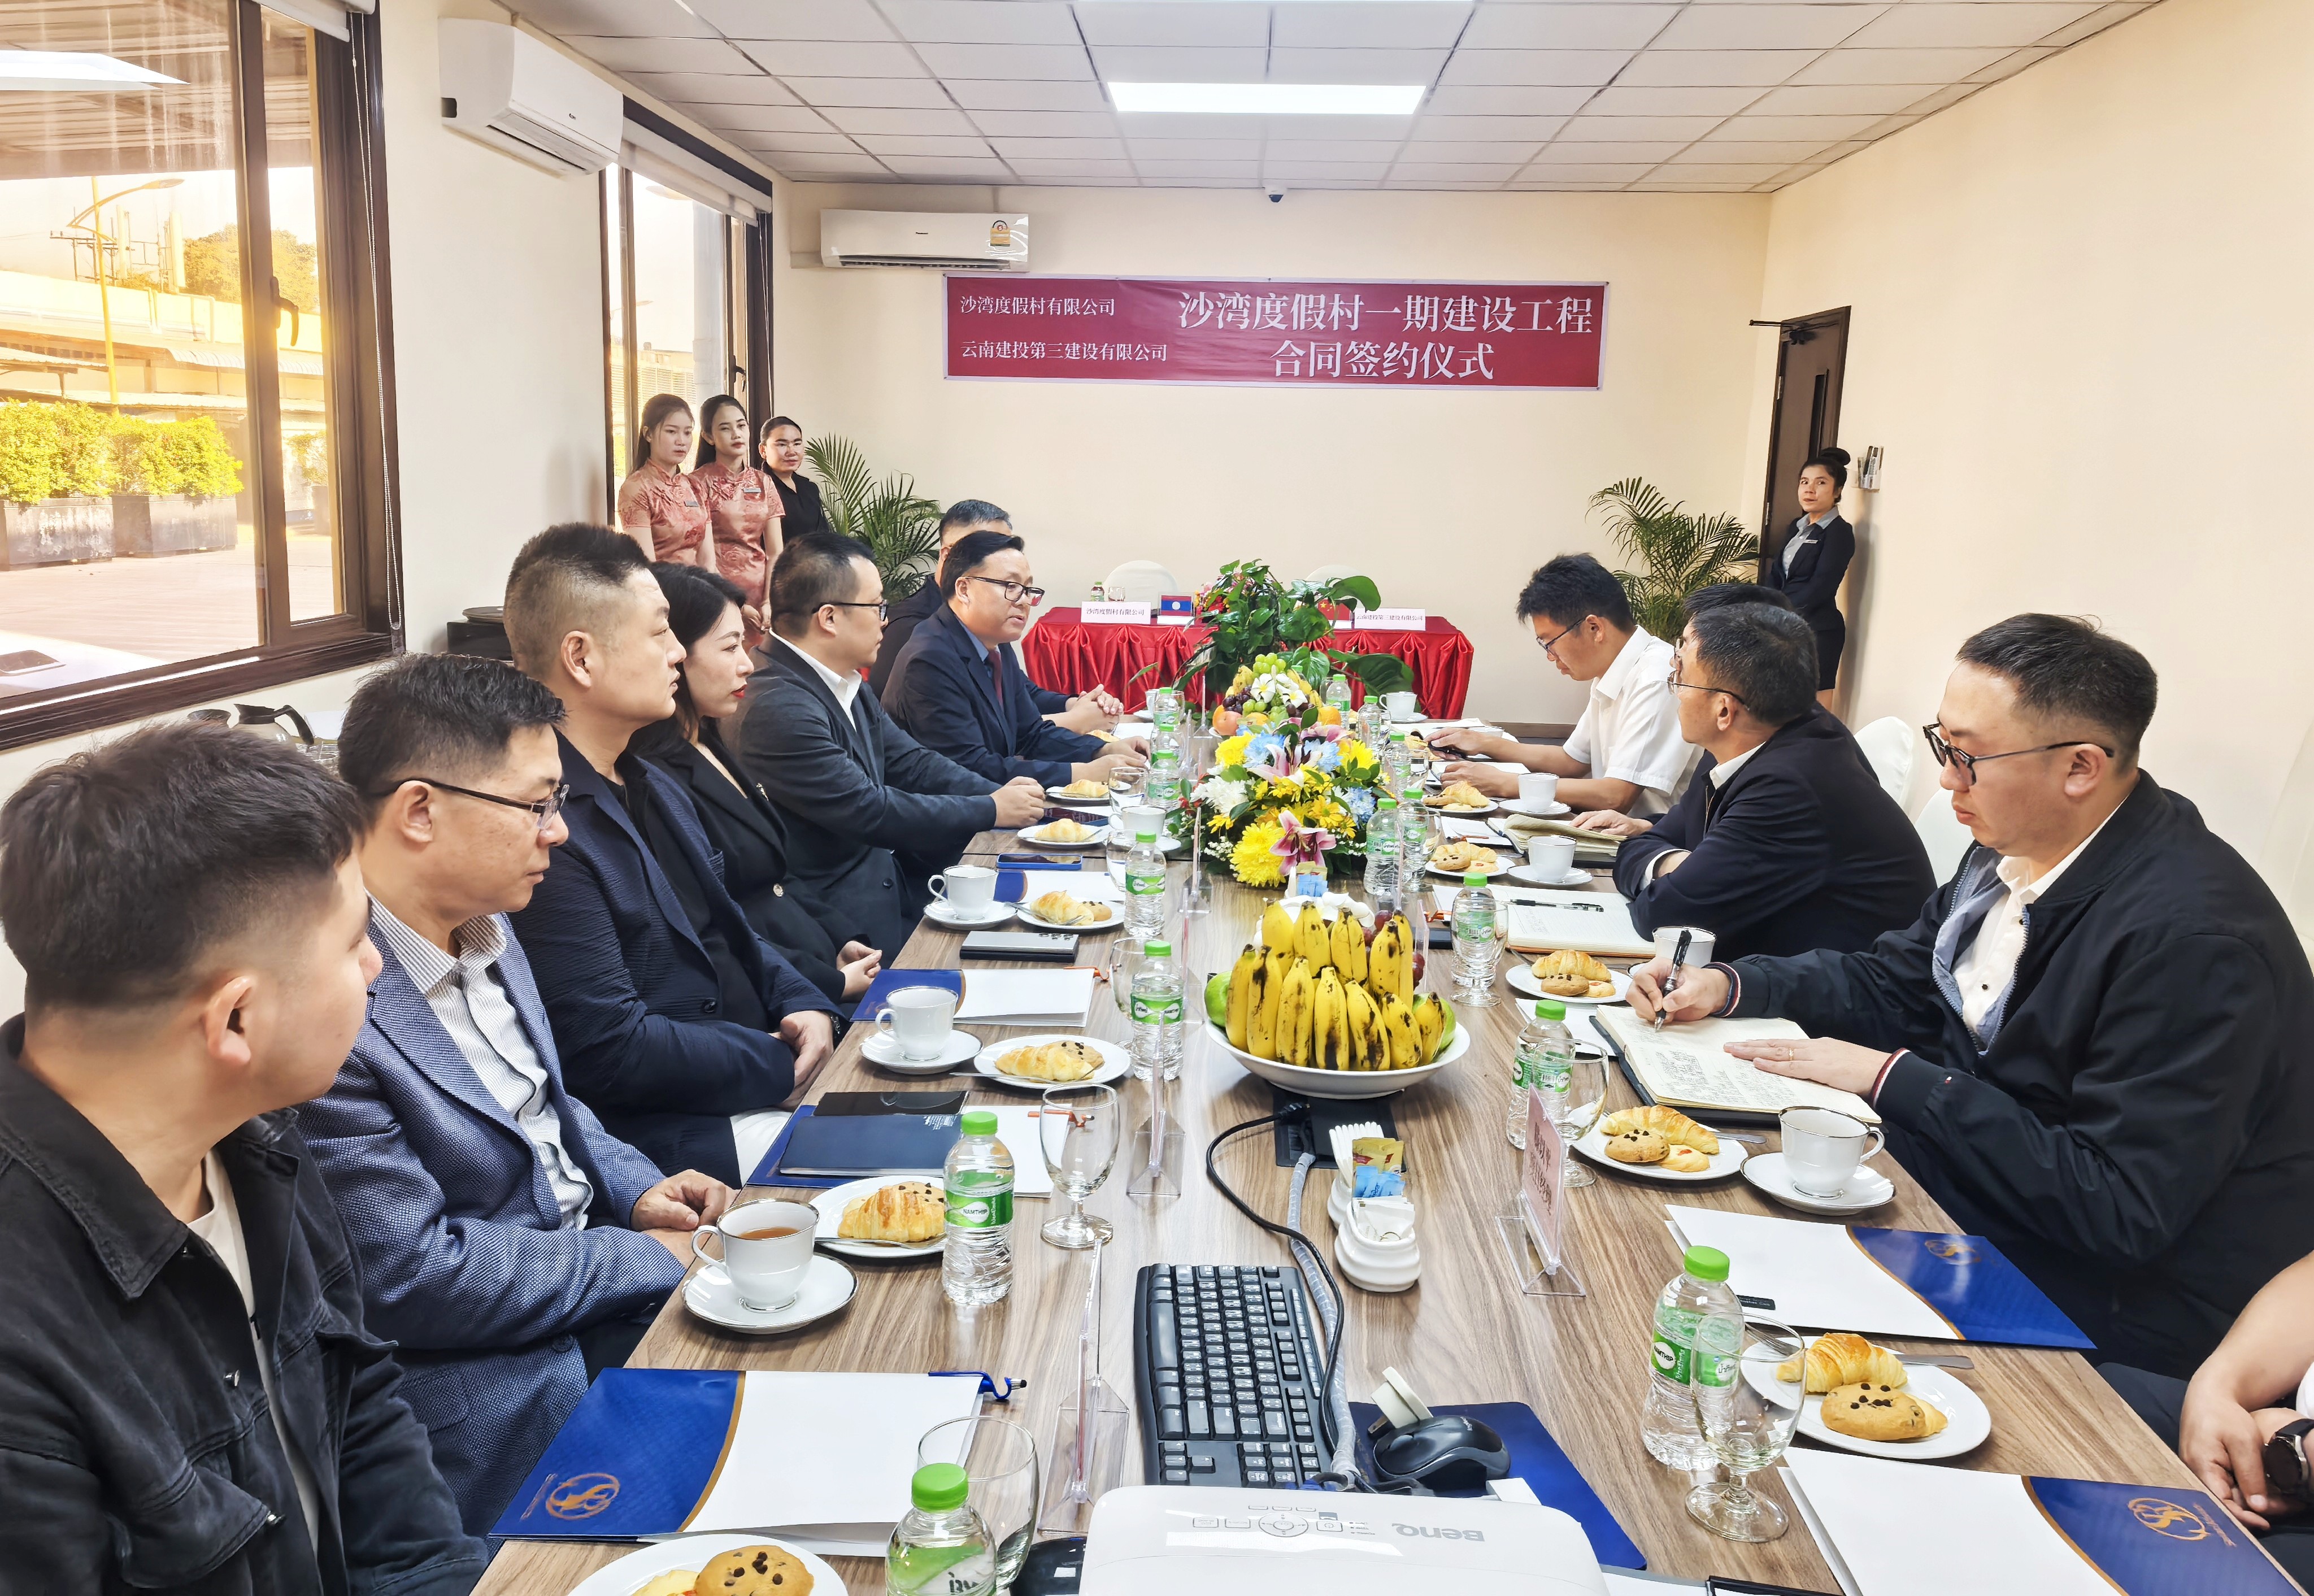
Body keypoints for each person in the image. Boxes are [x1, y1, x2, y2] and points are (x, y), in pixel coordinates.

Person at [1629, 615, 2314, 1376]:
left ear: (2080, 767)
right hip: (1973, 1198)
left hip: (2109, 1303)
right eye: (1942, 745)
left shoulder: (2194, 941)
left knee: (1727, 1340)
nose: (1948, 780)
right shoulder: (2011, 851)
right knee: (1678, 1216)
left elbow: (2117, 1207)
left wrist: (1892, 1077)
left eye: (1968, 756)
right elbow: (1891, 979)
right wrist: (1731, 984)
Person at [0, 721, 485, 1593]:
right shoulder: (22, 1343)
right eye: (353, 942)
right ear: (235, 1019)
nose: (376, 966)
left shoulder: (254, 1135)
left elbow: (360, 1411)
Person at [302, 653, 734, 1536]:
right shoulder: (333, 1005)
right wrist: (643, 1259)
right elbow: (416, 1276)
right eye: (536, 805)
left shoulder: (488, 922)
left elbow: (546, 1102)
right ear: (420, 810)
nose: (558, 833)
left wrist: (635, 1185)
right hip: (512, 1378)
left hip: (603, 1289)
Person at [501, 523, 839, 1186]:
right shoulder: (546, 827)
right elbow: (608, 1047)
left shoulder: (653, 780)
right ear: (581, 657)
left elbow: (730, 928)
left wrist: (803, 998)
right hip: (675, 1135)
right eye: (660, 633)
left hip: (758, 1074)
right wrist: (776, 1060)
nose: (679, 653)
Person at [737, 532, 1049, 962]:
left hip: (893, 889)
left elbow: (911, 762)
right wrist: (991, 808)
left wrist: (998, 794)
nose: (885, 620)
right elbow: (869, 809)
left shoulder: (839, 678)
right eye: (876, 606)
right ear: (829, 618)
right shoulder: (778, 705)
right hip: (837, 929)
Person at [1599, 598, 1932, 959]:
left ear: (1724, 710)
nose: (1674, 684)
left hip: (1848, 984)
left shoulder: (1791, 786)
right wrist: (1676, 864)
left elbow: (1665, 917)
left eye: (1681, 672)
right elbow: (1652, 840)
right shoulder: (1755, 734)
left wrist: (1681, 869)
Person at [640, 562, 885, 1005]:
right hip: (777, 996)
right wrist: (830, 982)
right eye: (730, 647)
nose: (747, 665)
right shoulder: (656, 777)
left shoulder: (711, 738)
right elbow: (722, 925)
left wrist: (840, 938)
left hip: (816, 958)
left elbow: (779, 875)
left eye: (746, 645)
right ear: (675, 652)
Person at [2103, 1251, 2314, 1584]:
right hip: (2285, 1433)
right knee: (2111, 1399)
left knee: (2221, 1578)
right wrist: (2218, 1391)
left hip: (2294, 1447)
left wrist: (2299, 1447)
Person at [881, 528, 1147, 790]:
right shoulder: (931, 659)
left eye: (1028, 589)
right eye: (1011, 586)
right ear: (964, 589)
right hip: (943, 808)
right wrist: (1083, 772)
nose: (1024, 601)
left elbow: (1030, 733)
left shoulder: (995, 643)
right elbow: (968, 767)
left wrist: (1102, 750)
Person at [1431, 553, 1688, 815]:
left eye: (1550, 642)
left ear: (1594, 628)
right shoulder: (1614, 668)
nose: (1550, 656)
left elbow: (1615, 796)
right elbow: (1571, 762)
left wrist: (1506, 783)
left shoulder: (1657, 678)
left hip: (1641, 835)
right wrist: (1483, 742)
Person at [869, 499, 1124, 736]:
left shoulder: (989, 621)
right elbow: (967, 744)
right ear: (949, 558)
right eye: (988, 545)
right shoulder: (913, 630)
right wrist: (1074, 722)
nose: (1004, 554)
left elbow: (1019, 692)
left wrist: (1075, 704)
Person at [1762, 446, 1856, 703]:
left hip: (1817, 631)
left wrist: (1780, 614)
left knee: (1814, 708)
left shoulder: (1839, 532)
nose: (1809, 490)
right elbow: (1776, 575)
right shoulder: (1795, 528)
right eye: (1804, 482)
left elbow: (1821, 587)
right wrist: (1766, 611)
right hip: (1782, 627)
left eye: (1821, 483)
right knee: (1780, 703)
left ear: (1837, 491)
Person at [689, 393, 781, 651]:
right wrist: (737, 602)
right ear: (709, 437)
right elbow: (702, 557)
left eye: (741, 425)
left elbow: (776, 552)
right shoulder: (696, 483)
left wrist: (770, 601)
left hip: (763, 597)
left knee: (762, 666)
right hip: (717, 593)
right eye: (725, 428)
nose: (736, 434)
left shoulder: (764, 482)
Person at [617, 392, 714, 571]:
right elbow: (647, 566)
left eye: (687, 433)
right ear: (648, 434)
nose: (682, 441)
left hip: (701, 584)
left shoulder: (696, 487)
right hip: (661, 585)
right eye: (671, 432)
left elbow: (708, 561)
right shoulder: (637, 488)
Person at [762, 415, 829, 540]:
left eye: (797, 444)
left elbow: (824, 534)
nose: (792, 452)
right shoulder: (758, 490)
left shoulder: (810, 488)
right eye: (782, 445)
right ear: (763, 450)